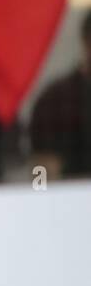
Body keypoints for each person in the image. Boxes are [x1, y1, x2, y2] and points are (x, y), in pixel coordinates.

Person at [30, 10, 91, 181]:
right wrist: (41, 198)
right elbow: (40, 172)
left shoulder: (54, 98)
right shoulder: (55, 101)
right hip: (68, 202)